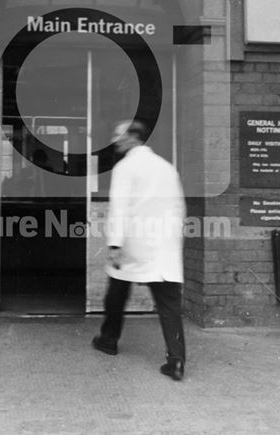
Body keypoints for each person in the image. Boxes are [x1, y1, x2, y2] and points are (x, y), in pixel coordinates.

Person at [92, 120, 187, 381]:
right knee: (169, 305)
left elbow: (119, 207)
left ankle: (108, 340)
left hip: (134, 243)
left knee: (116, 292)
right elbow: (179, 208)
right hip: (163, 246)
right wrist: (173, 242)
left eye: (119, 135)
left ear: (134, 137)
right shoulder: (168, 168)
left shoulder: (125, 167)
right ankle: (176, 361)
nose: (115, 140)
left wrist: (114, 243)